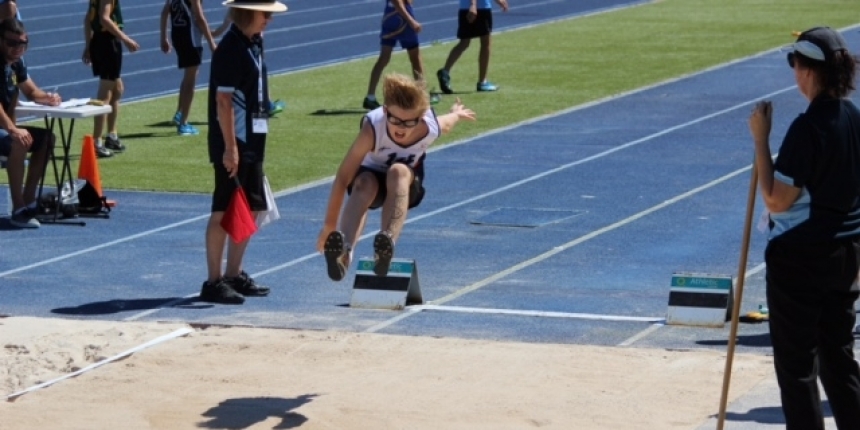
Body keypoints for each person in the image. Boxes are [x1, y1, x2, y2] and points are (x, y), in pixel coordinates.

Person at [748, 26, 860, 430]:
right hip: (847, 253)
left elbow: (777, 199)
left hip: (802, 259)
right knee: (839, 359)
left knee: (797, 367)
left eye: (795, 64)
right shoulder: (853, 116)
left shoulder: (808, 127)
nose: (794, 72)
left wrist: (761, 140)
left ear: (808, 70)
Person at [317, 73, 476, 281]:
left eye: (409, 123)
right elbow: (342, 178)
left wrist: (456, 113)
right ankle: (343, 251)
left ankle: (386, 245)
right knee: (364, 183)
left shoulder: (429, 127)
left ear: (421, 117)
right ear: (385, 111)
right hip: (370, 181)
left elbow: (447, 122)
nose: (400, 127)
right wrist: (329, 226)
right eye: (394, 120)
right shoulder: (372, 127)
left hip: (406, 184)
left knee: (398, 171)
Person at [200, 0, 286, 304]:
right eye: (265, 14)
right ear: (249, 13)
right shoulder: (230, 50)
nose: (269, 20)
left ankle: (234, 273)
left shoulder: (254, 43)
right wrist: (230, 149)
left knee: (251, 206)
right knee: (223, 209)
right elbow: (223, 103)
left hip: (253, 138)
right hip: (233, 141)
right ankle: (213, 281)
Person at [0, 18, 59, 228]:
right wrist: (13, 129)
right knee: (20, 140)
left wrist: (48, 98)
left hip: (4, 128)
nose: (17, 49)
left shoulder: (17, 63)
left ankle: (29, 199)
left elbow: (31, 91)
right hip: (3, 128)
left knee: (47, 139)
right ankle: (17, 210)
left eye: (22, 44)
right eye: (12, 43)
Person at [82, 0, 139, 158]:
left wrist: (88, 45)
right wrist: (126, 39)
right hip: (108, 43)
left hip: (99, 42)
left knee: (117, 89)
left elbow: (88, 18)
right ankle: (96, 142)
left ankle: (111, 136)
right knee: (105, 93)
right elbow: (104, 19)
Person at [363, 0, 437, 110]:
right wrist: (411, 20)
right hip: (402, 21)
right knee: (415, 59)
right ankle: (422, 95)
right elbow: (398, 2)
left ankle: (370, 96)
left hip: (390, 17)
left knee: (383, 59)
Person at [211, 11, 286, 117]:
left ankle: (265, 104)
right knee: (255, 74)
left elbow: (229, 18)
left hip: (253, 40)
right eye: (266, 14)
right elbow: (224, 100)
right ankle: (266, 104)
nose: (270, 19)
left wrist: (217, 32)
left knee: (259, 72)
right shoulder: (231, 48)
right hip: (242, 121)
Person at [160, 0, 217, 136]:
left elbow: (164, 13)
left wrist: (163, 37)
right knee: (191, 80)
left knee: (187, 76)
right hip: (191, 38)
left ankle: (180, 113)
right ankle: (183, 123)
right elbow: (200, 17)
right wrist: (211, 43)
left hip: (177, 35)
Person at [436, 0, 508, 94]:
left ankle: (445, 72)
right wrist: (473, 5)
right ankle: (482, 82)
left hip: (464, 7)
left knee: (464, 43)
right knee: (485, 43)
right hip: (480, 8)